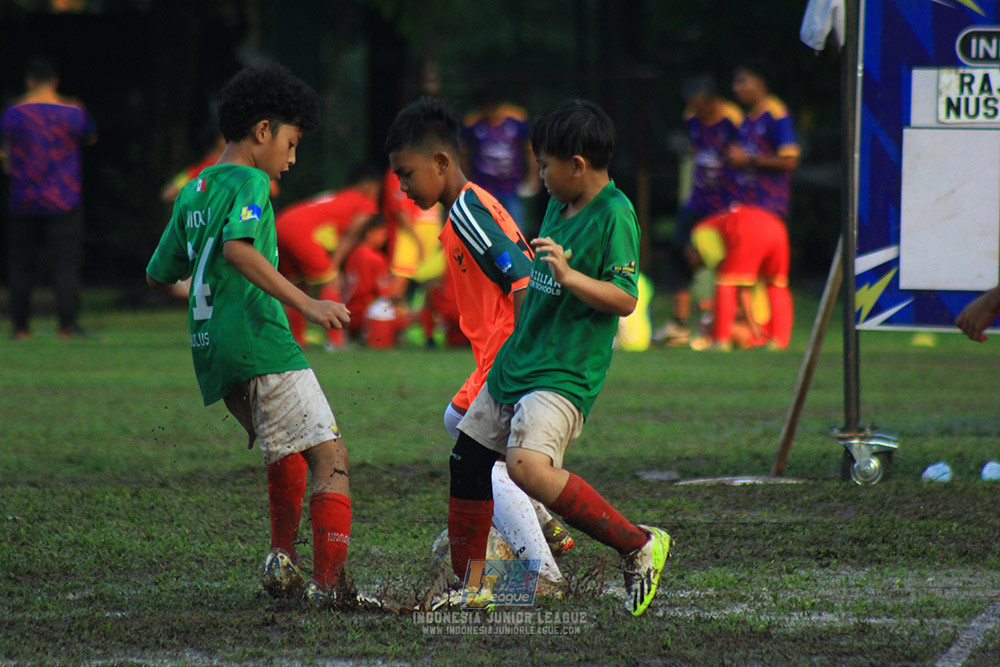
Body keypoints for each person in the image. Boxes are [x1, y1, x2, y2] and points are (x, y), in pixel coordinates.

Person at [438, 98, 672, 616]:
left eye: (545, 164)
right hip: (518, 361)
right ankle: (473, 585)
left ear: (577, 165)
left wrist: (568, 277)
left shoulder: (616, 214)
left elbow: (625, 297)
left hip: (564, 372)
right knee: (467, 462)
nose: (538, 174)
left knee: (526, 467)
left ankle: (637, 545)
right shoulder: (557, 203)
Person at [145, 64, 352, 609]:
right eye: (291, 141)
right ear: (263, 131)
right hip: (259, 340)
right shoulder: (253, 182)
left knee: (285, 448)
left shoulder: (194, 189)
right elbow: (239, 250)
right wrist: (307, 301)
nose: (291, 156)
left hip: (213, 354)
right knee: (330, 457)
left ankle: (281, 559)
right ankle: (332, 588)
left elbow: (157, 273)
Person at [385, 97, 574, 597]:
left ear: (441, 162)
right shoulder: (470, 208)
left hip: (508, 355)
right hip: (504, 352)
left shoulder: (469, 211)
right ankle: (541, 519)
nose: (403, 189)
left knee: (481, 455)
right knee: (460, 426)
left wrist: (519, 358)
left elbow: (520, 274)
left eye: (407, 175)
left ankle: (541, 575)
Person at [1, 57, 97, 339]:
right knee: (64, 264)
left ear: (29, 81)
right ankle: (67, 326)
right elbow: (90, 137)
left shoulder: (13, 113)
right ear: (55, 81)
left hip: (23, 197)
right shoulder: (73, 113)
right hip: (63, 197)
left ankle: (20, 328)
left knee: (20, 264)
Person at [656, 75, 743, 346]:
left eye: (701, 106)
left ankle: (717, 318)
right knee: (679, 255)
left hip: (726, 205)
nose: (697, 111)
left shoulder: (733, 119)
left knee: (722, 261)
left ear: (713, 101)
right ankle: (680, 323)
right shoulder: (691, 118)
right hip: (698, 201)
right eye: (692, 105)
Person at [275, 164, 381, 349]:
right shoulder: (365, 203)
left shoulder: (337, 195)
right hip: (299, 230)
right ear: (370, 186)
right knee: (331, 281)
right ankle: (335, 341)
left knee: (297, 285)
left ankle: (296, 340)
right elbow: (350, 235)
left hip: (281, 223)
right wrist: (334, 266)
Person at [687, 204, 793, 350]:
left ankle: (720, 340)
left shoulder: (700, 232)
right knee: (776, 284)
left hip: (747, 229)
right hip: (777, 228)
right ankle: (779, 340)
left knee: (725, 283)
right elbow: (744, 288)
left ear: (690, 249)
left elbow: (727, 278)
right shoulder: (723, 223)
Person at [727, 58, 800, 221]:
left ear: (761, 83)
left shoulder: (776, 114)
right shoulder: (746, 117)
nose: (736, 88)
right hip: (744, 205)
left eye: (742, 82)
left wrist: (749, 159)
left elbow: (790, 161)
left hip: (768, 208)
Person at [461, 89, 539, 236]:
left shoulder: (517, 120)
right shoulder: (473, 123)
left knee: (516, 230)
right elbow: (463, 154)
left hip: (511, 187)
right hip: (483, 187)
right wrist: (466, 181)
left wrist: (532, 177)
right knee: (485, 230)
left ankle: (519, 256)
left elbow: (529, 150)